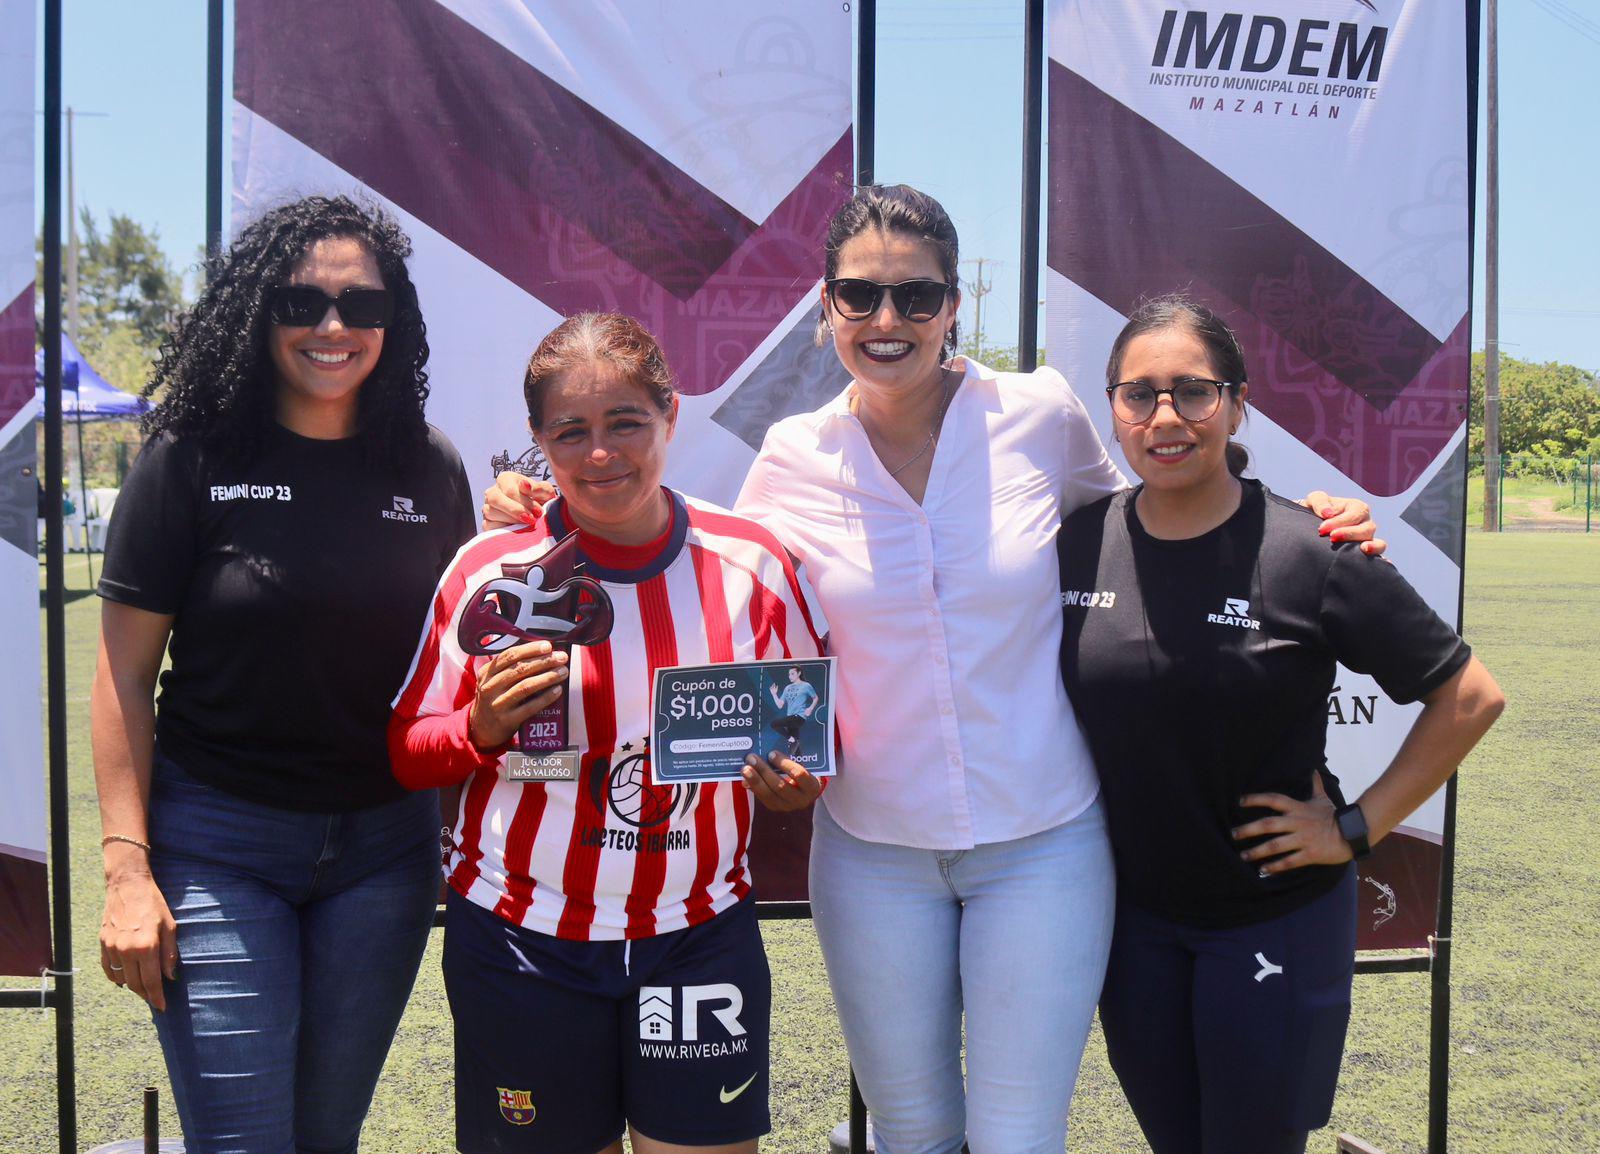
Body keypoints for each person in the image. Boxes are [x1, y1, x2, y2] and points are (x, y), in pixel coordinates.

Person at [481, 185, 1380, 1153]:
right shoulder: (792, 455)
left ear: (956, 305)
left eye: (916, 295)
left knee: (1016, 1135)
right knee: (909, 1131)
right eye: (859, 294)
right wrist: (544, 510)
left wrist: (1291, 517)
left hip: (1043, 839)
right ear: (826, 308)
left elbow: (1157, 516)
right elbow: (703, 567)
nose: (886, 319)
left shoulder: (1038, 412)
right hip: (873, 848)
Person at [1057, 295, 1504, 1154]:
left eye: (1193, 391)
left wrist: (1356, 827)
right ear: (1111, 406)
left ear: (1237, 402)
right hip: (1132, 926)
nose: (1165, 417)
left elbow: (1470, 695)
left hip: (1273, 920)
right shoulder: (1077, 542)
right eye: (1137, 394)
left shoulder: (1310, 553)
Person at [90, 196, 477, 1153]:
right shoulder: (189, 459)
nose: (333, 327)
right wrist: (126, 870)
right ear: (256, 314)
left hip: (386, 854)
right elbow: (121, 677)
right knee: (243, 1140)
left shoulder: (428, 468)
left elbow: (469, 649)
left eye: (362, 307)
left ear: (396, 323)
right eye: (301, 302)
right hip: (218, 843)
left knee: (323, 1137)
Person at [389, 312, 827, 1154]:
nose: (600, 453)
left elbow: (810, 740)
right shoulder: (490, 573)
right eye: (571, 431)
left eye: (626, 422)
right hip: (522, 941)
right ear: (537, 441)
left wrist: (797, 784)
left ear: (670, 416)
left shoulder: (755, 566)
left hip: (696, 936)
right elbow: (407, 748)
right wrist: (480, 729)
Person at [769, 666, 818, 756]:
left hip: (799, 717)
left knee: (774, 724)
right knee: (794, 750)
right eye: (789, 674)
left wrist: (810, 708)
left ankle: (792, 739)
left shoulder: (806, 685)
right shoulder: (788, 688)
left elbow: (815, 698)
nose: (790, 676)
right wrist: (774, 694)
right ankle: (797, 764)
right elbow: (780, 705)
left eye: (792, 674)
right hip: (790, 718)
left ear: (799, 673)